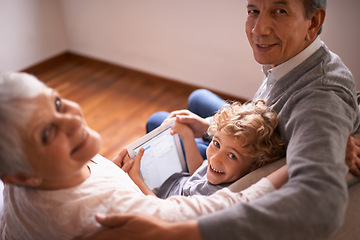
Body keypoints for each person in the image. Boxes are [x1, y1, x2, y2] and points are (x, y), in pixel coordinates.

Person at [78, 0, 360, 239]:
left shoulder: (321, 99)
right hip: (251, 139)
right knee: (195, 102)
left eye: (279, 11)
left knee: (158, 121)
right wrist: (206, 127)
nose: (258, 29)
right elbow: (262, 112)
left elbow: (322, 204)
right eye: (253, 10)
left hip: (250, 154)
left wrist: (187, 232)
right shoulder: (292, 62)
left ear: (313, 22)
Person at [0, 72, 289, 240]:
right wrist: (296, 161)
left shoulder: (19, 184)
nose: (74, 121)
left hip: (170, 184)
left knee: (162, 121)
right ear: (22, 176)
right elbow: (234, 203)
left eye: (58, 103)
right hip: (163, 190)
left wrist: (109, 169)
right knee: (163, 120)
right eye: (47, 133)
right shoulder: (112, 213)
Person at [127, 100, 286, 198]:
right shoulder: (219, 172)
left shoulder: (212, 198)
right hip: (172, 183)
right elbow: (197, 174)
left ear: (253, 167)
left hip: (154, 198)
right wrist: (188, 137)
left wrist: (138, 181)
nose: (215, 159)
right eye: (216, 143)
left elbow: (162, 211)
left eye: (232, 156)